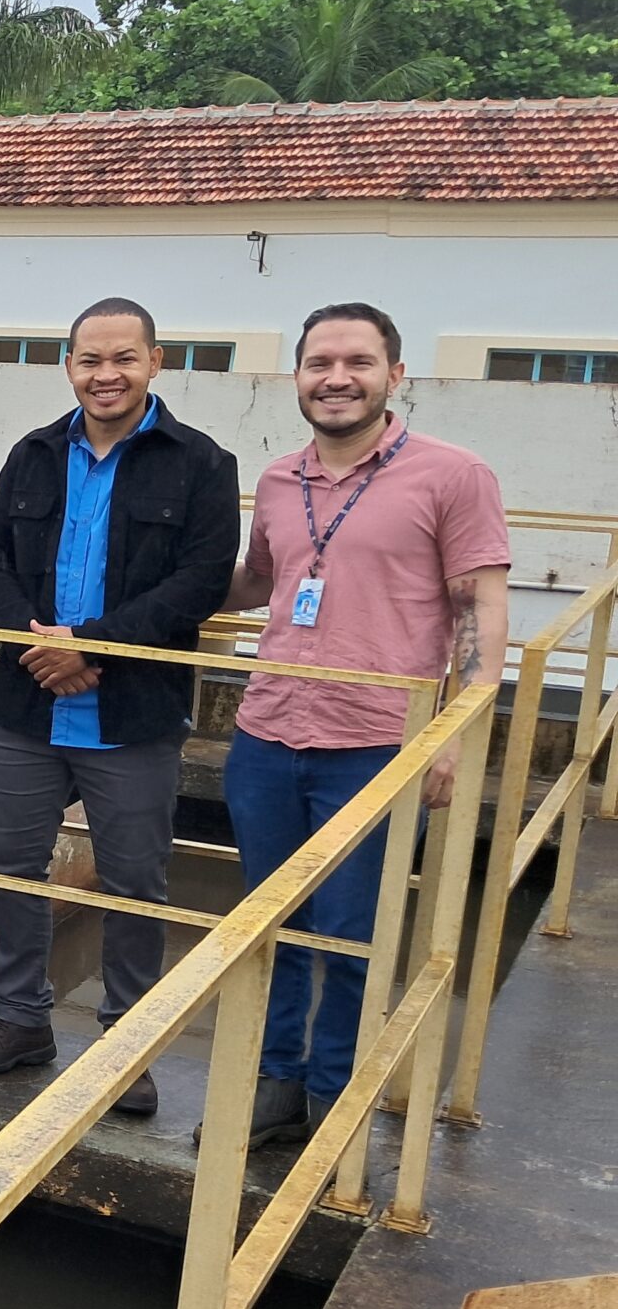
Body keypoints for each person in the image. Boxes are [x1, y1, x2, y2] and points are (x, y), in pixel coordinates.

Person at [214, 302, 507, 1145]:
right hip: (267, 733)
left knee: (350, 932)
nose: (337, 378)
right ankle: (275, 1083)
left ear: (395, 375)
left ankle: (336, 1094)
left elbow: (482, 608)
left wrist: (456, 733)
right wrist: (144, 598)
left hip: (379, 742)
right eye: (319, 363)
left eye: (358, 362)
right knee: (270, 923)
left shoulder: (453, 475)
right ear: (296, 376)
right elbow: (258, 581)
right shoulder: (278, 479)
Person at [0, 298, 239, 1114]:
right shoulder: (34, 453)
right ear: (68, 365)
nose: (105, 375)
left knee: (133, 883)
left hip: (133, 711)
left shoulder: (202, 463)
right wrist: (40, 648)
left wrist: (93, 646)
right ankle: (20, 1021)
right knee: (12, 868)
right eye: (89, 360)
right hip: (26, 704)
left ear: (155, 360)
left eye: (123, 359)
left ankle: (127, 1047)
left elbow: (202, 579)